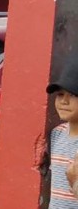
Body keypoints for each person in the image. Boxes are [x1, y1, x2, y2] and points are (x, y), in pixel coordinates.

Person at [46, 57, 78, 208]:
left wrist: (75, 182)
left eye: (72, 95)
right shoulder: (57, 134)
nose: (64, 101)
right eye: (60, 94)